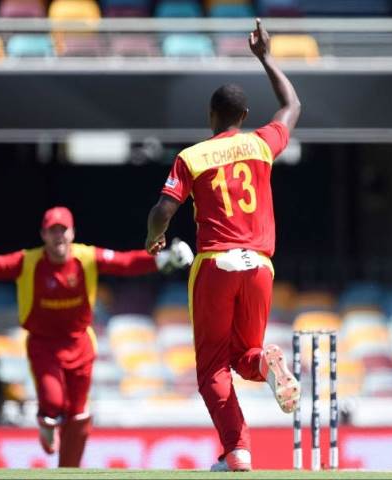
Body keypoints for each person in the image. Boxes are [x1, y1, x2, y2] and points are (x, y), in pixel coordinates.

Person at [145, 18, 301, 472]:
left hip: (215, 263)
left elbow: (162, 210)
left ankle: (237, 451)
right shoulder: (260, 144)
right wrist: (266, 57)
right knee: (245, 356)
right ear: (244, 117)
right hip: (260, 266)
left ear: (211, 117)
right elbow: (291, 104)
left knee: (212, 367)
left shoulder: (193, 156)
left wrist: (154, 238)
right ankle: (270, 367)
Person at [0, 206, 194, 467]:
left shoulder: (87, 257)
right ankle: (46, 421)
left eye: (63, 230)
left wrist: (165, 258)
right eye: (53, 231)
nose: (59, 237)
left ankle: (69, 470)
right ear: (43, 234)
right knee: (54, 402)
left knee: (78, 413)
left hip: (79, 343)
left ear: (72, 233)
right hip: (43, 345)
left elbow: (127, 263)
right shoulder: (29, 261)